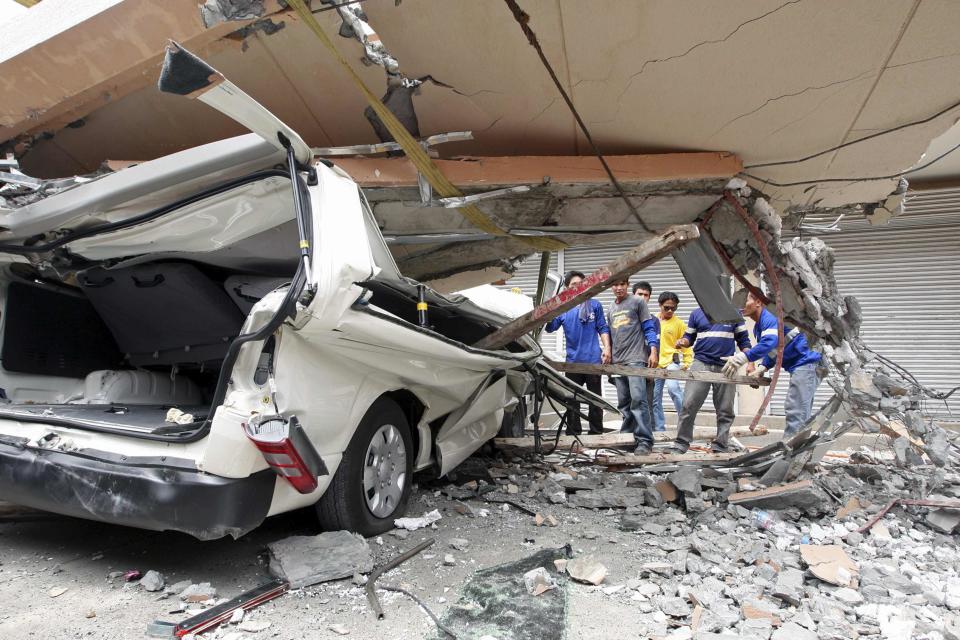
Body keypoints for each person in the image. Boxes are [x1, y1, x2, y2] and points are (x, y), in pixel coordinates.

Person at [725, 291, 824, 438]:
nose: (740, 307)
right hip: (803, 364)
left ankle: (790, 453)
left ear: (758, 302)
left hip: (807, 362)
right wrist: (763, 367)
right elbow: (774, 349)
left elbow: (769, 342)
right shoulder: (759, 326)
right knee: (800, 412)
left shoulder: (769, 316)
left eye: (744, 301)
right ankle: (799, 451)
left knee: (795, 409)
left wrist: (743, 357)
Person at [668, 307, 751, 453]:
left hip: (727, 365)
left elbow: (743, 340)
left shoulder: (734, 312)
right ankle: (681, 443)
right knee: (688, 404)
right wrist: (683, 341)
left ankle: (721, 445)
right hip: (701, 363)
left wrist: (751, 363)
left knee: (725, 408)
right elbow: (689, 338)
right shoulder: (696, 313)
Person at [544, 271, 611, 435]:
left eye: (581, 283)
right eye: (574, 284)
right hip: (573, 362)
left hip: (593, 361)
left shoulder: (594, 305)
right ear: (567, 287)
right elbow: (550, 327)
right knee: (572, 400)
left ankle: (596, 433)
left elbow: (602, 327)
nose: (578, 287)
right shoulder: (564, 308)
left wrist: (607, 349)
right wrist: (549, 308)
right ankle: (574, 432)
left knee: (595, 400)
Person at [607, 278, 659, 454]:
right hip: (617, 361)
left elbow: (649, 327)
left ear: (627, 285)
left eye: (622, 284)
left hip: (636, 358)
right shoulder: (611, 308)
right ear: (611, 287)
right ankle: (628, 438)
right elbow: (611, 335)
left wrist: (653, 351)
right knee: (624, 404)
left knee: (639, 400)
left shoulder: (637, 302)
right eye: (615, 284)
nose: (619, 287)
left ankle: (645, 441)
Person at [651, 291, 693, 431]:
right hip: (655, 363)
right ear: (660, 305)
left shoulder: (679, 323)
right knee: (655, 398)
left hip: (671, 361)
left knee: (673, 389)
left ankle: (685, 424)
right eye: (666, 307)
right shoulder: (653, 320)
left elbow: (687, 345)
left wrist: (687, 362)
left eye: (673, 308)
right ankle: (659, 429)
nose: (670, 311)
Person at [633, 281, 658, 429]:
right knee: (629, 404)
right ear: (633, 295)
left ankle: (649, 437)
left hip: (646, 367)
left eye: (646, 295)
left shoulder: (653, 320)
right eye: (639, 294)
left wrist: (652, 368)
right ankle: (630, 437)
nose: (642, 297)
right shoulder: (625, 316)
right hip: (626, 366)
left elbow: (656, 345)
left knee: (646, 404)